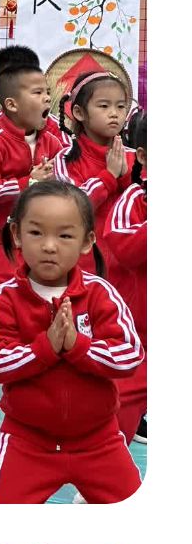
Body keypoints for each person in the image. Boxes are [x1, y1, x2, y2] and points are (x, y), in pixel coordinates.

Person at [0, 181, 144, 503]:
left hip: (99, 441)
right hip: (28, 441)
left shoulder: (99, 293)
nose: (50, 246)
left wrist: (78, 346)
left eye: (65, 236)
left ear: (87, 242)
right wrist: (46, 348)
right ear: (16, 234)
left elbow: (130, 354)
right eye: (36, 233)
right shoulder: (4, 298)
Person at [0, 63, 64, 318]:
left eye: (47, 92)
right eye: (37, 93)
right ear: (12, 104)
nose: (47, 98)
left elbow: (66, 182)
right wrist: (27, 183)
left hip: (33, 240)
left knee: (28, 299)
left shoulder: (52, 142)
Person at [98, 111, 146, 444]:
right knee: (121, 406)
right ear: (142, 156)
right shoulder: (133, 200)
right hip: (138, 334)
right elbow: (124, 246)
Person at [53, 72, 134, 221]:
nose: (114, 113)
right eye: (104, 106)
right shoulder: (66, 159)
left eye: (121, 106)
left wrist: (126, 177)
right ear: (79, 112)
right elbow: (72, 207)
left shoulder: (136, 157)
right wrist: (109, 176)